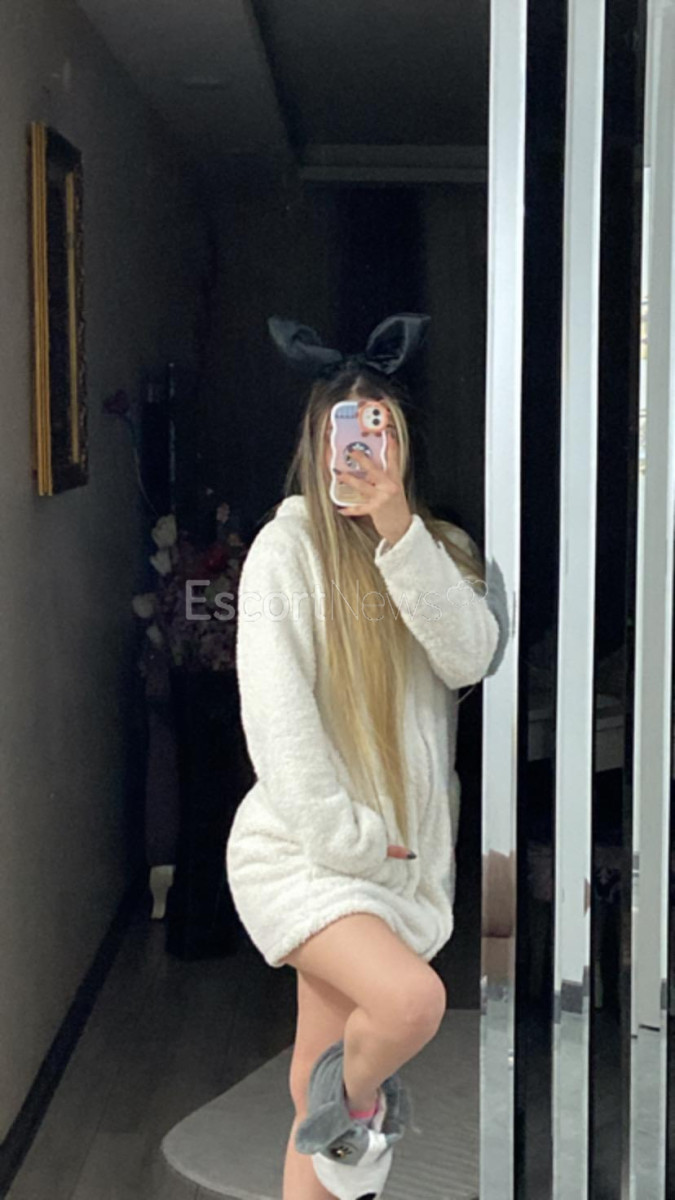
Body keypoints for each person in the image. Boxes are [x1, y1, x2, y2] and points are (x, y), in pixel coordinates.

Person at [225, 314, 506, 1200]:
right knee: (409, 1003)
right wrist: (347, 836)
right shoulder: (284, 553)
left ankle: (335, 1121)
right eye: (345, 434)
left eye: (378, 433)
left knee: (315, 1077)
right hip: (308, 852)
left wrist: (397, 532)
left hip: (397, 866)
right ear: (317, 444)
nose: (361, 451)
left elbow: (469, 659)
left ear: (401, 444)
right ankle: (353, 1110)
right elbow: (276, 720)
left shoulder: (440, 551)